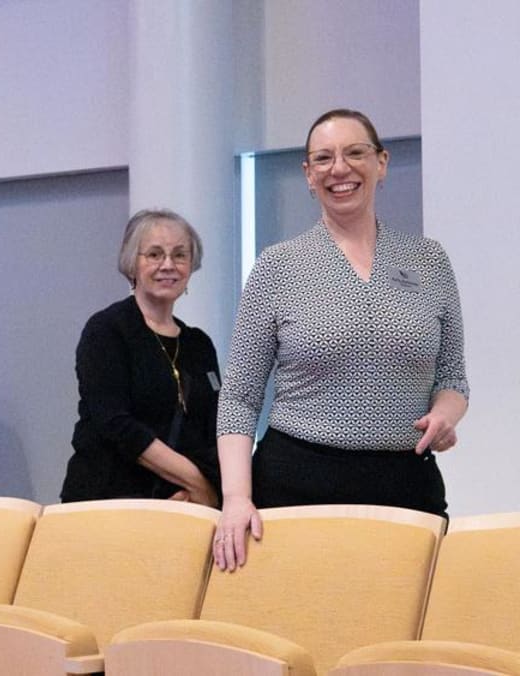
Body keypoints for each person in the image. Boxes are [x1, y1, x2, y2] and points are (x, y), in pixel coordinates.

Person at [213, 109, 469, 571]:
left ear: (382, 163)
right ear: (308, 175)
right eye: (323, 158)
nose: (340, 168)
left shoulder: (429, 261)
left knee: (403, 616)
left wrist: (444, 416)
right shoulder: (277, 267)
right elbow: (239, 397)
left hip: (406, 485)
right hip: (297, 487)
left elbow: (452, 380)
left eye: (355, 153)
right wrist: (235, 498)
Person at [61, 209, 221, 505]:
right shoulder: (107, 330)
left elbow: (212, 430)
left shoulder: (199, 345)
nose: (168, 265)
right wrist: (197, 482)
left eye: (180, 255)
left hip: (185, 504)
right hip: (109, 501)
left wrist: (204, 494)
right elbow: (115, 424)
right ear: (132, 263)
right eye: (155, 254)